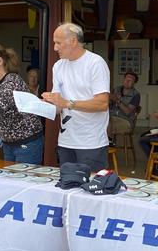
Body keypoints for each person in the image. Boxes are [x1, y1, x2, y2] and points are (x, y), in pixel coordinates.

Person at [41, 23, 110, 173]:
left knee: (90, 191)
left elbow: (102, 104)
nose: (54, 47)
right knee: (67, 186)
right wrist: (41, 105)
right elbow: (58, 108)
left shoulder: (95, 63)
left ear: (73, 41)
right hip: (66, 141)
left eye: (58, 42)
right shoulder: (58, 66)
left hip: (91, 143)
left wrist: (67, 103)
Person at [109, 71, 140, 139]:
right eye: (126, 79)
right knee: (98, 120)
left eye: (130, 80)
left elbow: (128, 112)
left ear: (134, 83)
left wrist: (118, 100)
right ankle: (107, 143)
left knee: (107, 124)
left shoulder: (136, 95)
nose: (127, 81)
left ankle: (109, 143)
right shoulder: (115, 89)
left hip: (125, 120)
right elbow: (108, 105)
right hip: (111, 117)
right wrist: (109, 99)